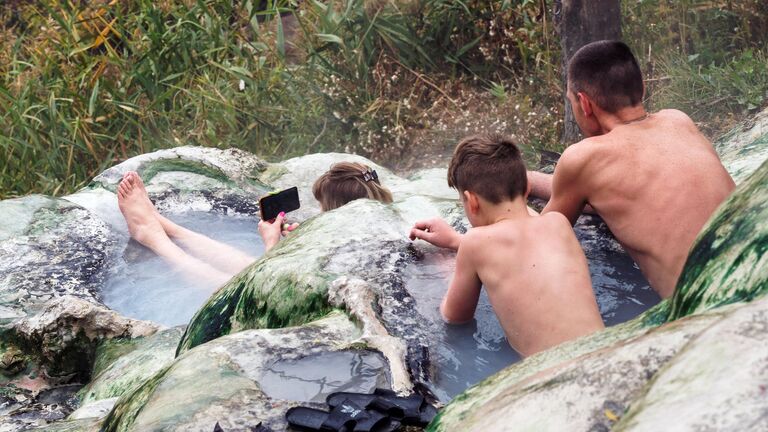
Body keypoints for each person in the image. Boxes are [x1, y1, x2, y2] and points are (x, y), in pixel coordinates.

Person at [415, 40, 736, 300]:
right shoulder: (679, 120)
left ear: (584, 103)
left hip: (705, 307)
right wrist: (510, 178)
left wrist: (459, 241)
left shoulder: (584, 158)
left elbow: (536, 243)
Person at [410, 134, 604, 357]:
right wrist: (455, 240)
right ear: (528, 187)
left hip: (553, 375)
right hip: (604, 355)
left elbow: (454, 318)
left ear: (471, 201)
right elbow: (522, 233)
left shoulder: (475, 244)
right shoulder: (558, 223)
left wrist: (446, 271)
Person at [117, 162, 393, 287]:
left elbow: (270, 285)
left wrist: (271, 244)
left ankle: (154, 237)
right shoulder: (380, 224)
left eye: (322, 208)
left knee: (230, 284)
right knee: (246, 266)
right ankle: (167, 225)